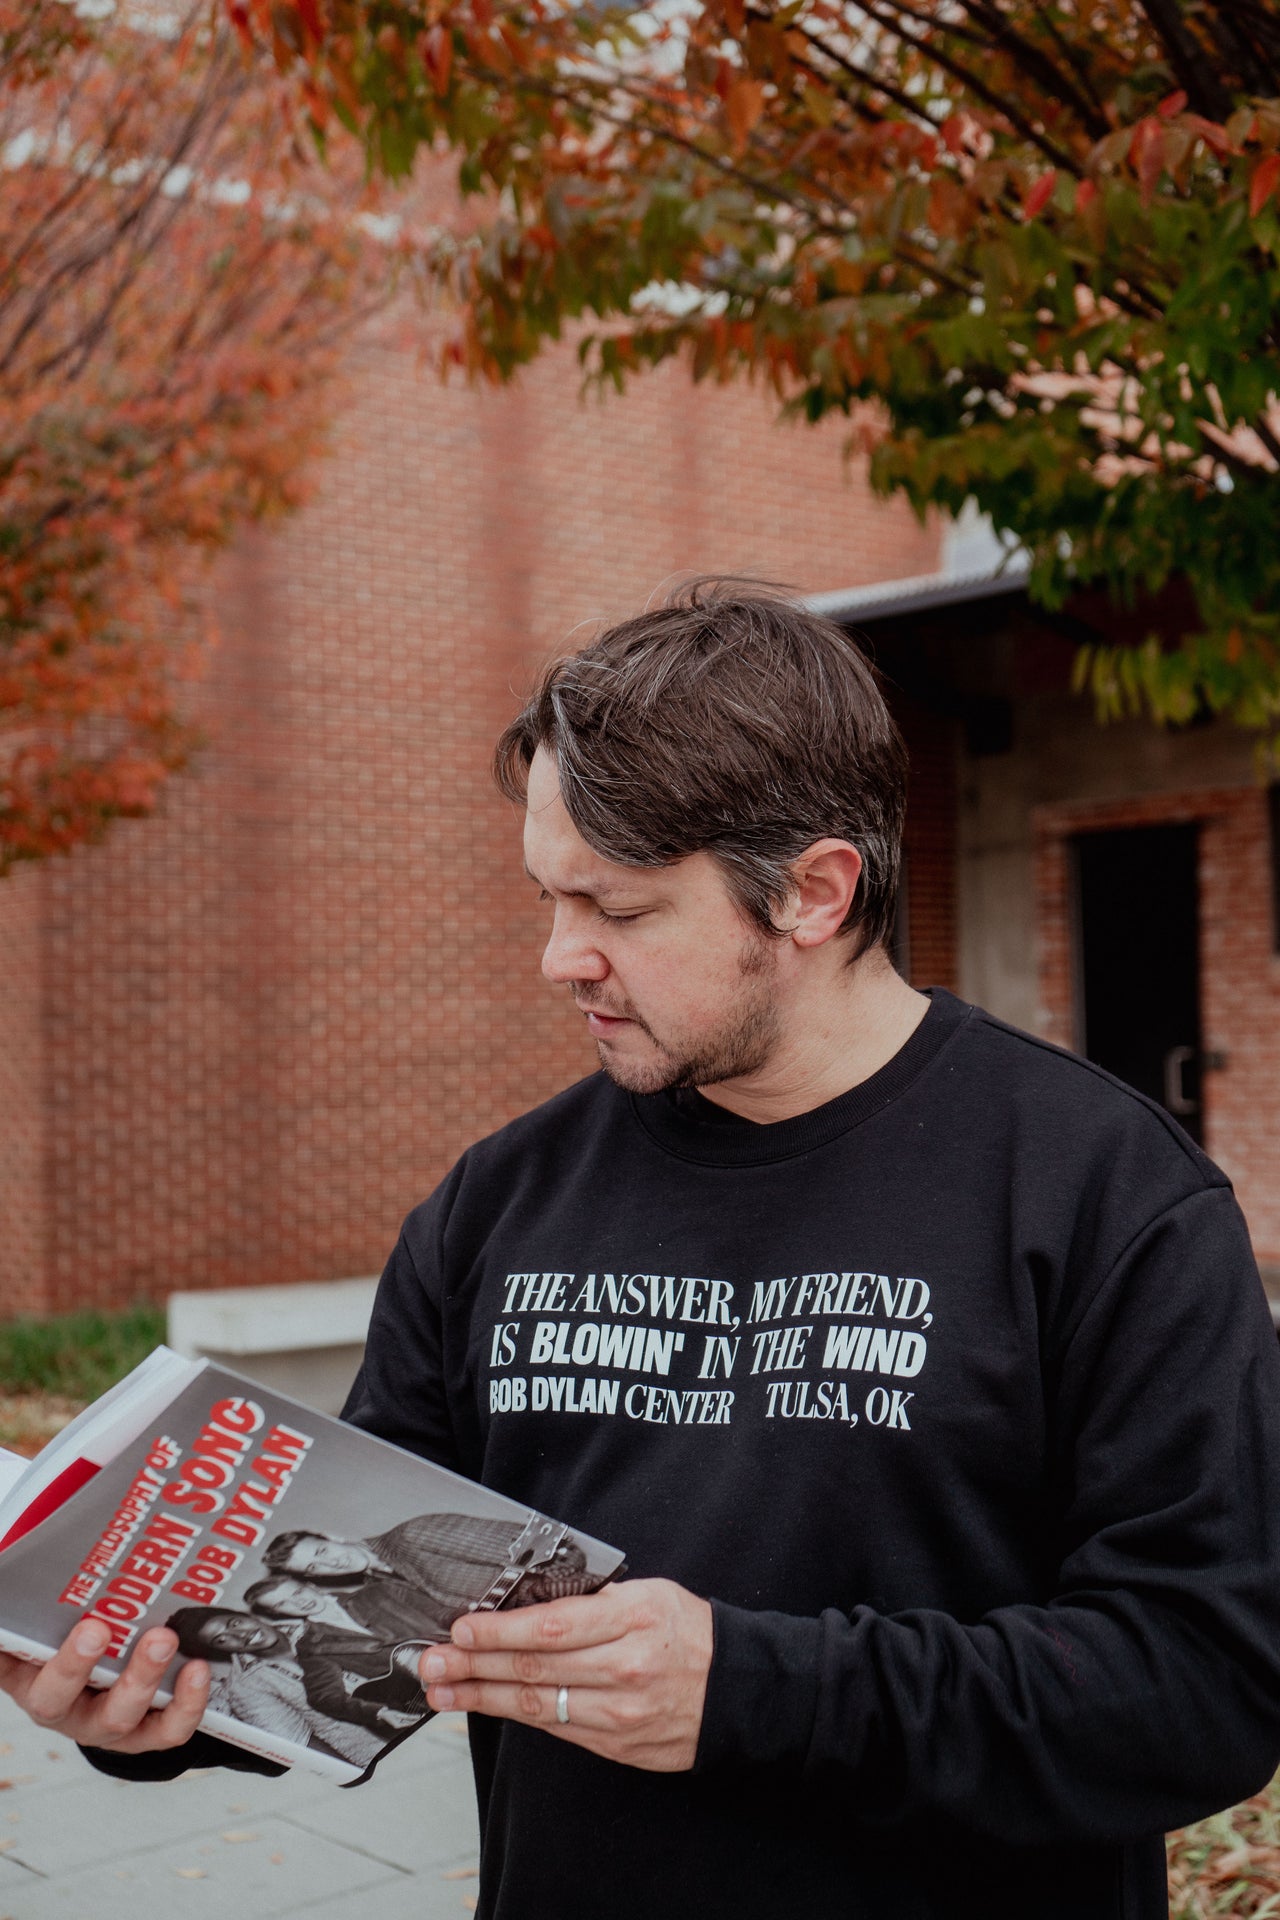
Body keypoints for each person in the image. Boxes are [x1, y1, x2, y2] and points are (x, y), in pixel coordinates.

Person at [6, 580, 1280, 1920]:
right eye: (548, 899)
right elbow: (356, 1616)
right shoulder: (497, 1203)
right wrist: (146, 1702)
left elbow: (1204, 1687)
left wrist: (747, 1691)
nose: (560, 958)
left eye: (616, 910)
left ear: (813, 893)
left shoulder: (1104, 1195)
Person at [164, 1605, 387, 1770]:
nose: (240, 1635)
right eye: (222, 1640)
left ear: (245, 1615)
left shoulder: (313, 1621)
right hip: (377, 1750)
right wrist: (365, 1773)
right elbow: (303, 1744)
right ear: (218, 1651)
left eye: (235, 1623)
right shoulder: (246, 1687)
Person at [262, 1514, 593, 1617]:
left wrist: (549, 1591)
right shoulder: (382, 1585)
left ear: (332, 1537)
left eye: (321, 1551)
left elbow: (559, 1551)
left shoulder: (413, 1534)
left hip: (579, 1603)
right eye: (314, 1568)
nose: (332, 1563)